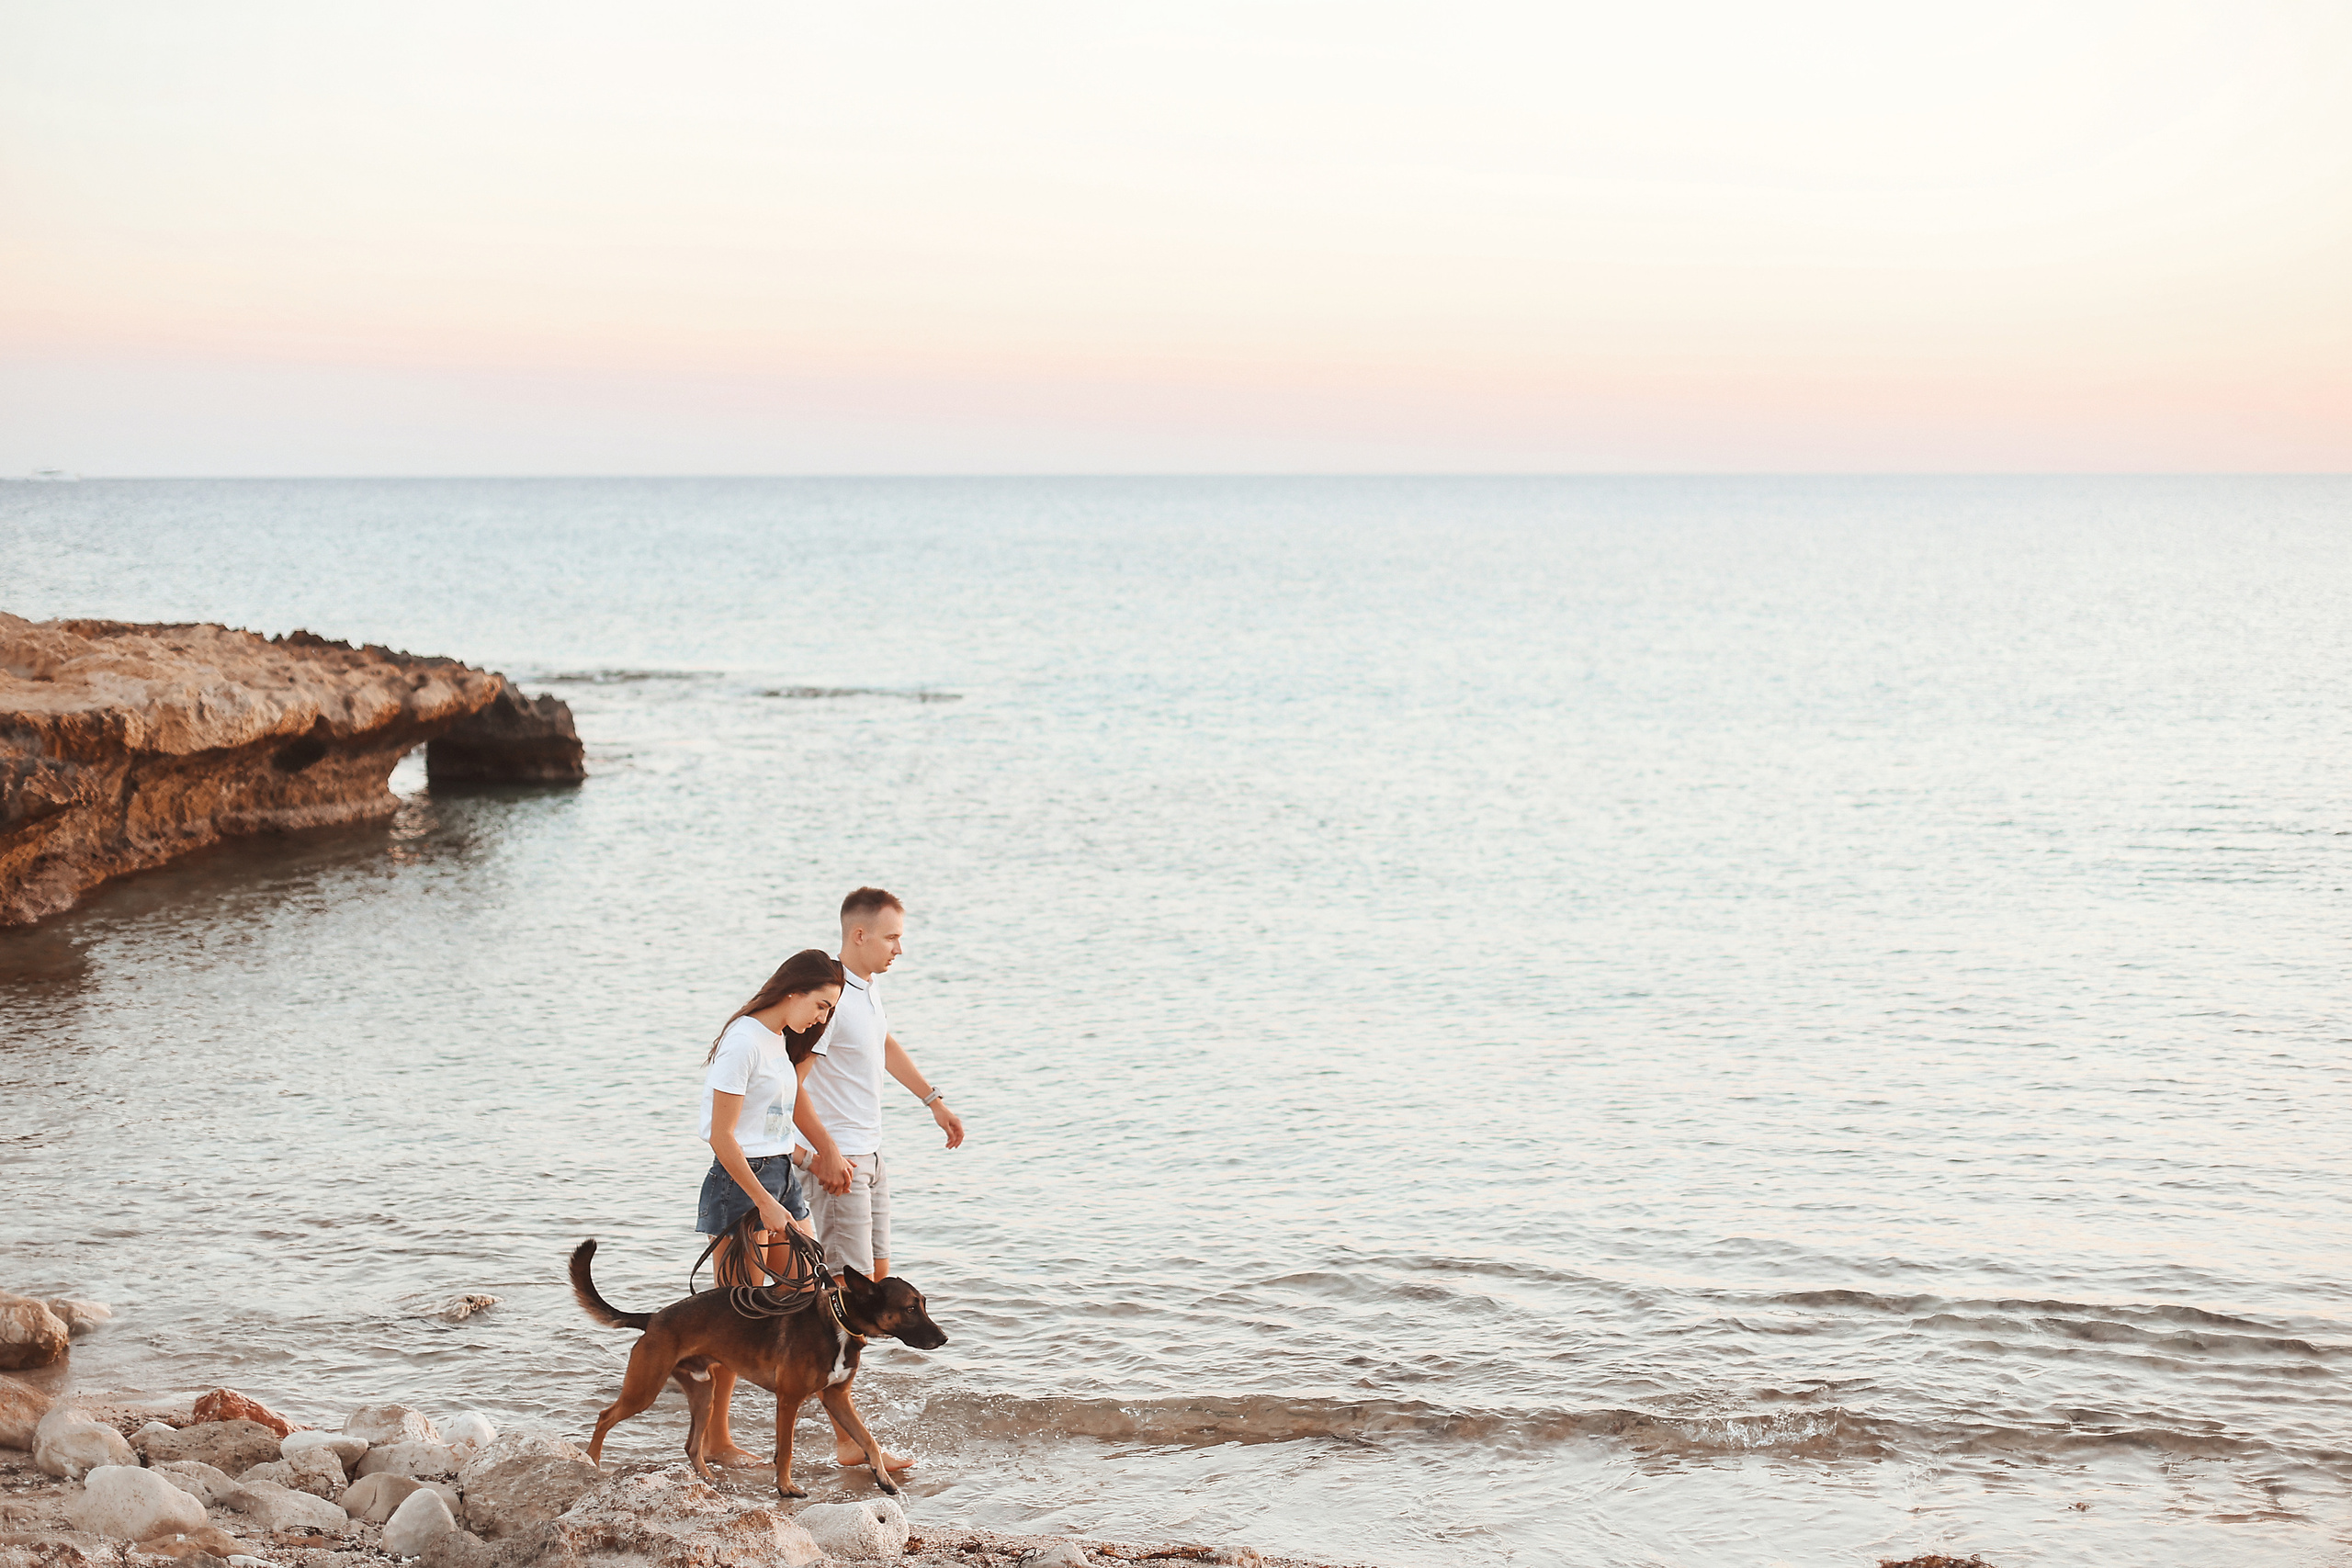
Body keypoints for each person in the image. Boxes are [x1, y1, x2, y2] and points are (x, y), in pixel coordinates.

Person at [791, 886, 966, 1471]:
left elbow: (883, 1045)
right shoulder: (831, 998)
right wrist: (821, 1152)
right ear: (859, 935)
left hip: (872, 1156)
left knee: (874, 1287)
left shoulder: (867, 992)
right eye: (891, 937)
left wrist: (933, 1100)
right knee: (845, 1303)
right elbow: (792, 1079)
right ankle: (847, 1443)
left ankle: (841, 1419)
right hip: (842, 1164)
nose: (899, 948)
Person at [695, 946, 843, 1468]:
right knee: (735, 1315)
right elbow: (723, 1136)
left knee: (804, 1293)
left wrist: (812, 1156)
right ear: (792, 990)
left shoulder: (777, 1040)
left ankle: (807, 1415)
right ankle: (716, 1438)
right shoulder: (743, 1042)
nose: (823, 1018)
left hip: (779, 1175)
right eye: (822, 1005)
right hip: (743, 1185)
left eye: (830, 1010)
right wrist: (762, 1201)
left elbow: (772, 1120)